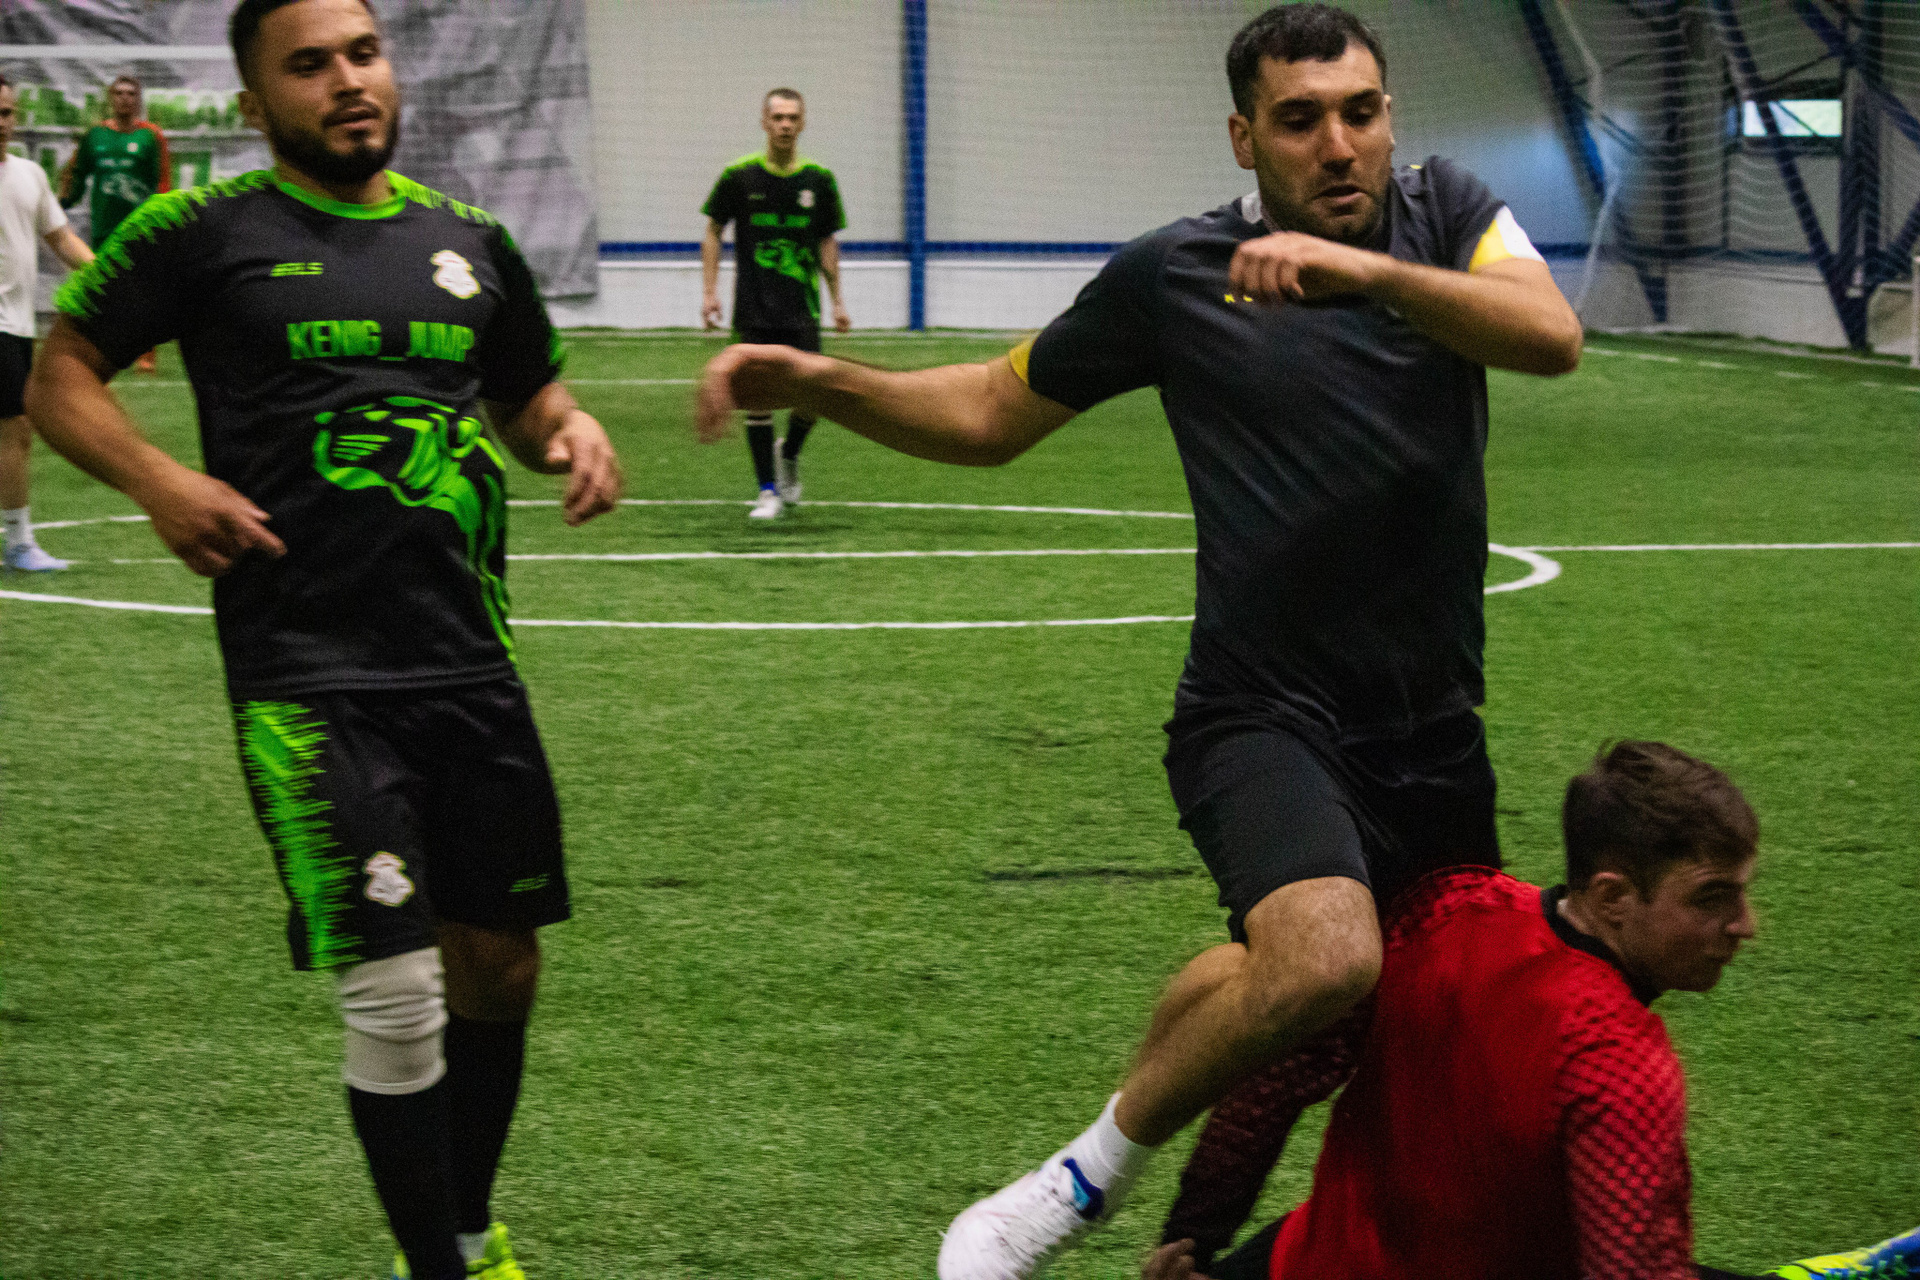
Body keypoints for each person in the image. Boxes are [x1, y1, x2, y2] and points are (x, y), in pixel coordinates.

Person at [697, 6, 1582, 1275]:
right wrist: (827, 382)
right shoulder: (1176, 274)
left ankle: (1235, 1248)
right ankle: (1066, 1187)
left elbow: (1549, 334)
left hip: (1434, 727)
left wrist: (1371, 276)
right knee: (1328, 956)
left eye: (1361, 112)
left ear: (1391, 116)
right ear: (1244, 137)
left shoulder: (1451, 213)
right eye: (1299, 120)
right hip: (1260, 713)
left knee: (1422, 1051)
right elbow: (994, 409)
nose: (1339, 144)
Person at [24, 3, 622, 1278]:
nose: (348, 81)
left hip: (472, 662)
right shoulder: (197, 233)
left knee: (500, 965)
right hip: (306, 676)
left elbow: (527, 396)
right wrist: (159, 481)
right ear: (255, 104)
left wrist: (570, 432)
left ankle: (466, 1229)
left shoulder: (470, 241)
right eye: (308, 66)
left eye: (362, 54)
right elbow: (59, 369)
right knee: (395, 991)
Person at [1141, 742, 1919, 1280]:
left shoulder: (1447, 908)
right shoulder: (1617, 1061)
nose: (1746, 925)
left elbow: (1280, 1078)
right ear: (1613, 897)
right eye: (1713, 898)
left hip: (1315, 1260)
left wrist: (1194, 1239)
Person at [700, 87, 850, 520]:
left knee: (815, 397)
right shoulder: (738, 176)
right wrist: (709, 293)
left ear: (802, 123)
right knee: (758, 399)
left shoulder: (819, 180)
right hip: (753, 309)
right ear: (765, 122)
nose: (785, 125)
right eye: (778, 117)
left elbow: (827, 241)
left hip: (802, 310)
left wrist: (838, 300)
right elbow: (713, 231)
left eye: (792, 118)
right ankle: (767, 491)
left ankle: (789, 454)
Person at [0, 73, 95, 573]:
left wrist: (105, 276)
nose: (0, 122)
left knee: (14, 431)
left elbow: (60, 238)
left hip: (17, 326)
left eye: (6, 112)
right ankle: (18, 543)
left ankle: (17, 542)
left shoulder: (29, 175)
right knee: (14, 428)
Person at [59, 74, 172, 372]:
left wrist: (162, 221)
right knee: (104, 291)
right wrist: (61, 203)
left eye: (131, 93)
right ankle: (104, 349)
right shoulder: (95, 136)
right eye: (119, 93)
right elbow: (77, 176)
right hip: (104, 230)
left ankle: (146, 353)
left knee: (144, 291)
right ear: (111, 98)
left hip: (140, 229)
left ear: (139, 99)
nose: (125, 98)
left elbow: (162, 182)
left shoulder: (151, 136)